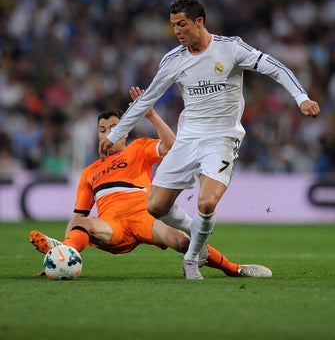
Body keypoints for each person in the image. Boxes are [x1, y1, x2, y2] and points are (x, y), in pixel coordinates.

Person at [99, 0, 320, 280]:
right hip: (188, 139)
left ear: (199, 22)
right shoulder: (173, 60)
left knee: (206, 203)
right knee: (155, 207)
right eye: (173, 26)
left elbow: (275, 67)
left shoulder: (230, 49)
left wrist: (301, 98)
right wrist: (116, 133)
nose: (177, 31)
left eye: (182, 24)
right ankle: (199, 240)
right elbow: (146, 100)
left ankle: (192, 258)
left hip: (222, 138)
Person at [30, 87, 272, 278]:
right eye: (102, 129)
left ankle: (234, 269)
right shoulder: (89, 172)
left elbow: (172, 147)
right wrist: (59, 255)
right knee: (83, 223)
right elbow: (77, 216)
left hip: (144, 215)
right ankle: (63, 254)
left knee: (183, 242)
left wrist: (151, 114)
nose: (107, 133)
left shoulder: (137, 148)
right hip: (112, 224)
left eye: (114, 127)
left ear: (124, 131)